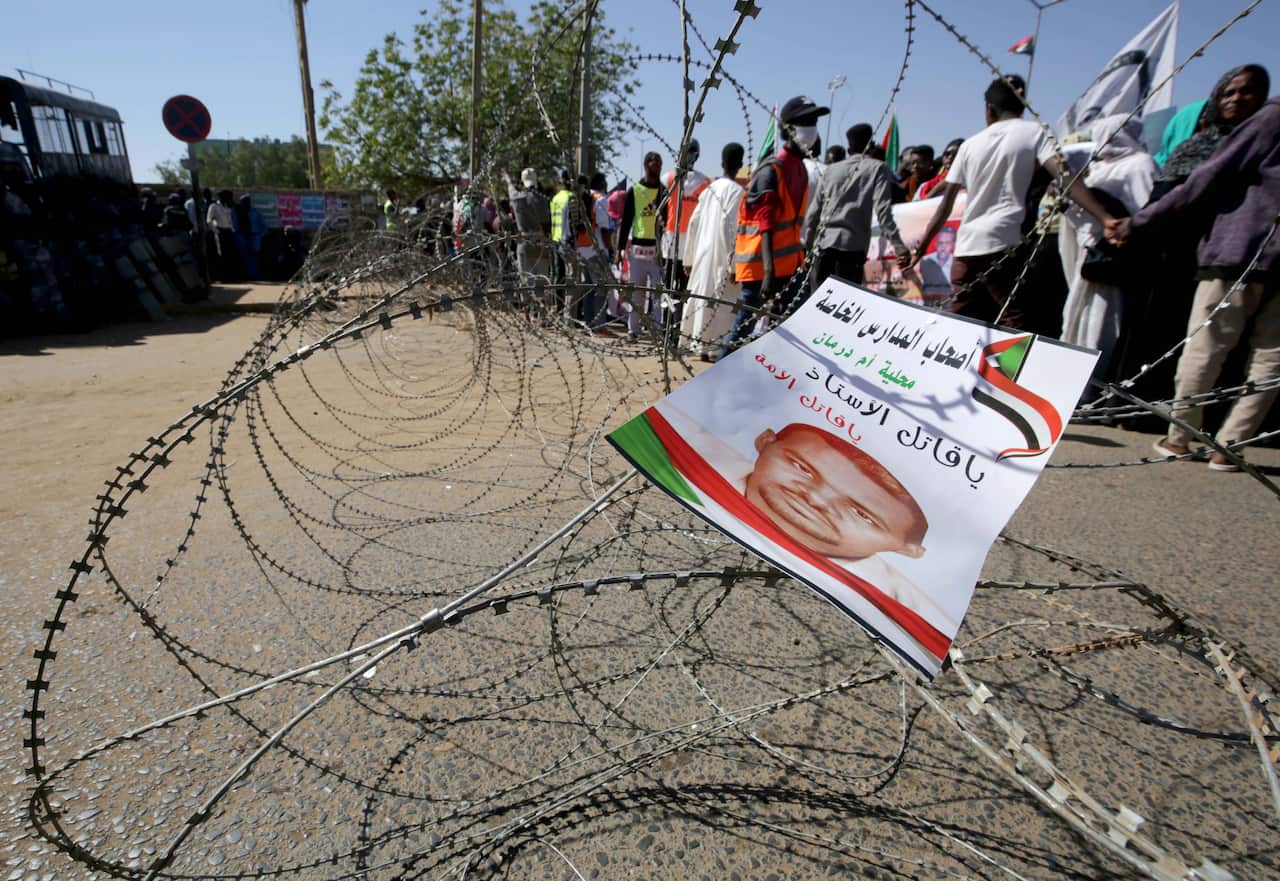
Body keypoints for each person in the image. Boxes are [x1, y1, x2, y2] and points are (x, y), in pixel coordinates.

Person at [1106, 70, 1275, 472]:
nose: (1236, 99)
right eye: (1229, 91)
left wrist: (1138, 223)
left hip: (1239, 251)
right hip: (1238, 253)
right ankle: (1226, 441)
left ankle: (1189, 437)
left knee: (1215, 346)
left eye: (1247, 91)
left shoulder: (1265, 123)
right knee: (1261, 355)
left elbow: (1204, 181)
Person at [913, 74, 1116, 334]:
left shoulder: (970, 145)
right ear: (1022, 105)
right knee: (1014, 320)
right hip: (1003, 243)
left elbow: (944, 206)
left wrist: (922, 247)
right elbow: (1066, 178)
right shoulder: (1033, 132)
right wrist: (1104, 217)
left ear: (989, 109)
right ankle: (1008, 375)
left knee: (958, 316)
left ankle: (951, 368)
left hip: (966, 247)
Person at [720, 95, 828, 357]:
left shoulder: (800, 169)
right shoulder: (771, 170)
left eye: (813, 122)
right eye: (805, 122)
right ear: (788, 129)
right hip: (761, 265)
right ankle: (718, 378)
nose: (811, 128)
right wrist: (768, 269)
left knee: (798, 322)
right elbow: (765, 220)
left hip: (789, 264)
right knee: (744, 326)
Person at [1058, 114, 1156, 383]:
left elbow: (1144, 212)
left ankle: (1093, 382)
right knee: (1077, 317)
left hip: (1114, 259)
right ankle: (1071, 380)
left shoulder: (1140, 165)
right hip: (1089, 254)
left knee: (1103, 320)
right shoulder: (1097, 168)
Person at [803, 122, 909, 288]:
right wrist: (898, 245)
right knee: (843, 304)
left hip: (824, 247)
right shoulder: (877, 168)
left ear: (849, 148)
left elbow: (813, 214)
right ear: (871, 144)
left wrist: (809, 248)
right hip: (852, 250)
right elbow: (883, 211)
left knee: (817, 303)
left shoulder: (831, 170)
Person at [680, 143, 746, 360]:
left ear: (721, 162)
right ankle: (713, 349)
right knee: (721, 304)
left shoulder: (710, 189)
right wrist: (735, 264)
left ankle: (699, 346)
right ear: (741, 164)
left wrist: (688, 258)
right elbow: (733, 230)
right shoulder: (737, 192)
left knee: (703, 299)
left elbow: (694, 223)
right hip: (722, 256)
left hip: (703, 254)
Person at [616, 152, 667, 338]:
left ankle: (656, 330)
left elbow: (667, 222)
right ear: (646, 165)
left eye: (660, 164)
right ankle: (633, 329)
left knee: (657, 294)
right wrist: (619, 249)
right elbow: (627, 221)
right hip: (638, 249)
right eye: (655, 163)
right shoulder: (635, 190)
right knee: (636, 293)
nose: (658, 167)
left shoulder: (663, 191)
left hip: (657, 251)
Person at [505, 168, 552, 282]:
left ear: (522, 181)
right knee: (542, 281)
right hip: (540, 243)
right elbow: (546, 225)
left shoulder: (516, 198)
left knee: (525, 281)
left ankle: (526, 300)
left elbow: (511, 189)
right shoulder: (543, 200)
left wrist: (508, 180)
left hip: (524, 242)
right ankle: (541, 300)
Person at [918, 225, 956, 303]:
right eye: (940, 243)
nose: (943, 247)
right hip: (926, 304)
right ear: (936, 244)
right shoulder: (925, 261)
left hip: (948, 304)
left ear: (953, 245)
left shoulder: (956, 263)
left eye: (947, 243)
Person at [234, 194, 268, 280]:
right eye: (243, 202)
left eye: (246, 201)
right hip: (242, 237)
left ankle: (256, 276)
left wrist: (259, 236)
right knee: (244, 257)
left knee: (255, 256)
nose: (245, 203)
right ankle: (247, 276)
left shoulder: (255, 212)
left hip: (254, 237)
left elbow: (264, 226)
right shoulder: (238, 212)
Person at [206, 190, 238, 280]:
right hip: (220, 232)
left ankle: (230, 276)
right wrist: (216, 231)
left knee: (230, 254)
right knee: (221, 254)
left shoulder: (227, 207)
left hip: (228, 232)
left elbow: (229, 220)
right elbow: (209, 220)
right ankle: (222, 277)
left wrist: (232, 230)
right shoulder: (214, 206)